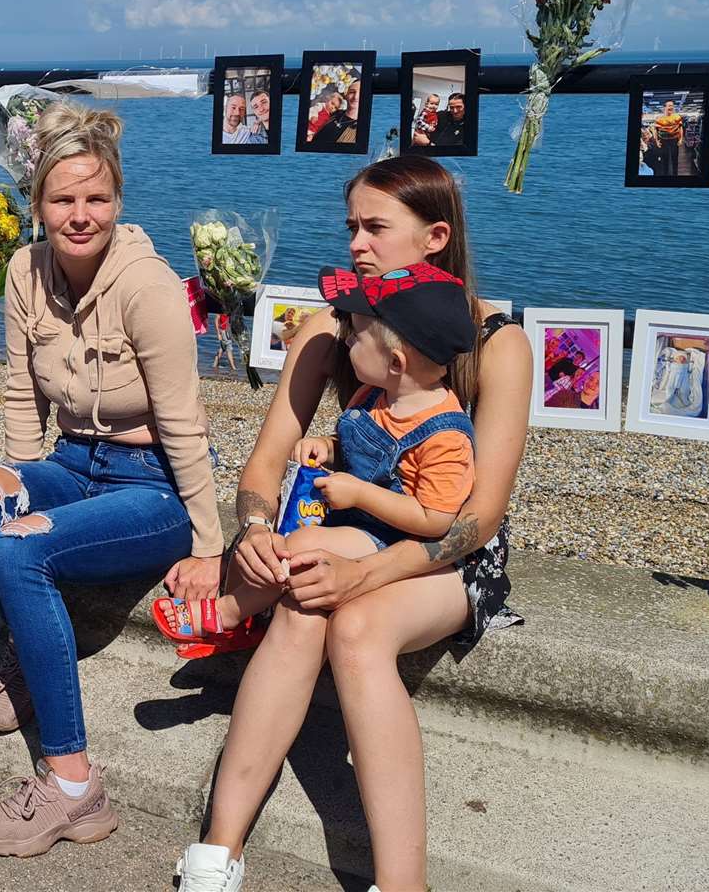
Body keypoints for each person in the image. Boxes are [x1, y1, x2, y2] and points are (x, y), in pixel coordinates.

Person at [172, 155, 530, 892]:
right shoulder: (332, 328)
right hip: (347, 528)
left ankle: (404, 884)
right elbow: (263, 467)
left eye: (375, 228)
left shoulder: (498, 342)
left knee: (357, 626)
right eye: (352, 227)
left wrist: (363, 573)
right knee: (305, 596)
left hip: (444, 554)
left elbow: (476, 516)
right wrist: (259, 531)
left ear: (434, 238)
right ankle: (220, 847)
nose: (356, 244)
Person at [0, 102, 225, 857]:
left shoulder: (149, 287)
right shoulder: (24, 270)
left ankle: (73, 785)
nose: (80, 215)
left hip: (150, 485)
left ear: (118, 202)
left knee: (20, 548)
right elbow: (20, 392)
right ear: (37, 204)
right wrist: (23, 476)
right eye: (63, 199)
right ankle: (35, 651)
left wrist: (209, 545)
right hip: (70, 462)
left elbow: (184, 422)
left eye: (95, 198)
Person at [154, 262, 478, 652]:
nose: (345, 342)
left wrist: (359, 494)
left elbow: (436, 518)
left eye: (356, 336)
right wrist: (329, 446)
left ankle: (228, 615)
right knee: (267, 543)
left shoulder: (446, 436)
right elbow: (361, 448)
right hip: (357, 520)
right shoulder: (375, 397)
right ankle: (252, 616)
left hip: (392, 540)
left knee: (300, 547)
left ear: (396, 363)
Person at [313, 79, 364, 146]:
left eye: (361, 93)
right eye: (352, 92)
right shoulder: (335, 113)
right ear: (346, 95)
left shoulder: (361, 130)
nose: (356, 97)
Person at [650, 100, 683, 176]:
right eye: (669, 105)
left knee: (675, 158)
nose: (671, 107)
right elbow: (655, 130)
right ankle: (665, 175)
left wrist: (681, 139)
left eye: (672, 105)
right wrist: (657, 141)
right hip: (663, 141)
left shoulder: (677, 117)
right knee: (665, 159)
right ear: (665, 107)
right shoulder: (659, 119)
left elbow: (680, 128)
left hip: (674, 141)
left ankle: (675, 175)